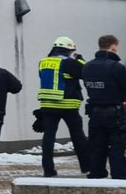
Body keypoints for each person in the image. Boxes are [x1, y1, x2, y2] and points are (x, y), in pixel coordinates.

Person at [83, 34, 126, 179]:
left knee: (97, 149)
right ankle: (119, 179)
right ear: (113, 47)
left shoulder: (87, 67)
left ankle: (96, 177)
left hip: (95, 113)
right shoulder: (116, 67)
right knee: (116, 149)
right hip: (115, 114)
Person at [36, 36, 90, 177]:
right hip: (67, 105)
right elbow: (86, 71)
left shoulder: (43, 62)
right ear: (69, 50)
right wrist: (79, 58)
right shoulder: (68, 63)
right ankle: (86, 166)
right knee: (78, 136)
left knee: (48, 137)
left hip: (47, 105)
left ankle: (48, 170)